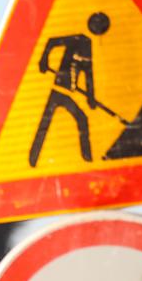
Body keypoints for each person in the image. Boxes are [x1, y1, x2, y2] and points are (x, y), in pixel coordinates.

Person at [28, 12, 110, 167]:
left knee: (82, 120)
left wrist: (90, 98)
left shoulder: (88, 45)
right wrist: (43, 60)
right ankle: (32, 160)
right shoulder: (77, 39)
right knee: (45, 124)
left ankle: (87, 161)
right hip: (58, 89)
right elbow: (52, 41)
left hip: (68, 94)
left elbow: (88, 74)